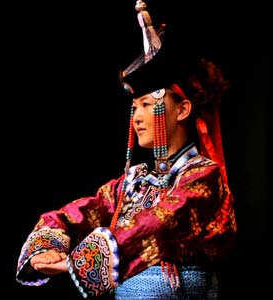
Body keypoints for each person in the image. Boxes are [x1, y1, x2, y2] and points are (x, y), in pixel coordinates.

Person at [16, 1, 237, 299]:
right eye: (135, 107)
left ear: (183, 109)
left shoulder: (202, 178)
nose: (137, 117)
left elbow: (158, 222)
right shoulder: (133, 183)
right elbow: (85, 211)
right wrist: (50, 246)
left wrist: (80, 262)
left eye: (147, 104)